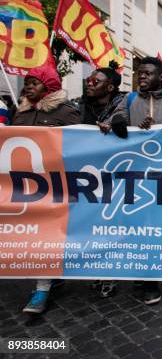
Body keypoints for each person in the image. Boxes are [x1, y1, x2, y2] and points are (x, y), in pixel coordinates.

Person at [108, 56, 162, 305]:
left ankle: (151, 279)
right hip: (135, 175)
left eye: (146, 73)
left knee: (157, 227)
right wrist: (120, 122)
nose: (141, 77)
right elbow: (117, 117)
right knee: (138, 225)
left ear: (160, 77)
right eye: (139, 73)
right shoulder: (129, 98)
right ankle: (142, 272)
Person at [13, 66, 80, 314]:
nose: (28, 86)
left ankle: (42, 289)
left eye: (35, 83)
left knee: (46, 235)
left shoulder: (67, 112)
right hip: (24, 186)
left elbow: (81, 146)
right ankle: (51, 277)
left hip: (55, 185)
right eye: (27, 82)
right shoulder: (20, 112)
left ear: (49, 87)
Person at [78, 63, 125, 298]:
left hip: (115, 175)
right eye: (89, 80)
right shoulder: (79, 107)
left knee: (111, 224)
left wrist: (117, 127)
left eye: (95, 81)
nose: (89, 83)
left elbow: (130, 132)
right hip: (86, 175)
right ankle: (96, 268)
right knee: (92, 224)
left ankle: (110, 272)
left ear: (110, 86)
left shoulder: (122, 106)